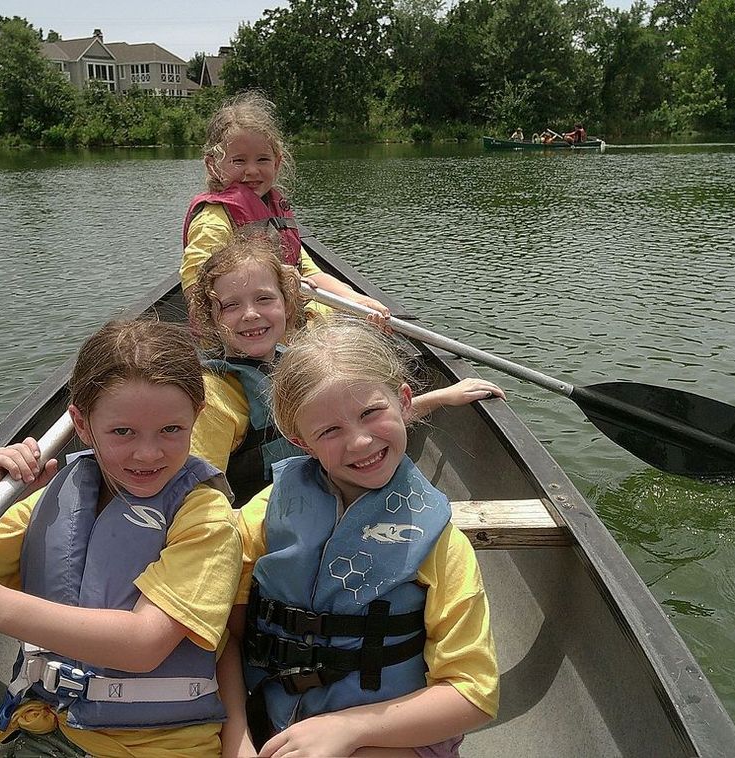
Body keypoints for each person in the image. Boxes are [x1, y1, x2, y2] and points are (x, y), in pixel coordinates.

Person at [0, 320, 243, 758]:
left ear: (196, 418)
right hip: (39, 729)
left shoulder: (205, 517)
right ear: (82, 426)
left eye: (171, 430)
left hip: (152, 747)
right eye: (122, 432)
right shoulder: (52, 501)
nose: (148, 453)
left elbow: (144, 644)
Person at [229, 317, 500, 756]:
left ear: (405, 403)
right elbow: (228, 634)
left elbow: (473, 695)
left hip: (387, 734)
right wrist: (236, 740)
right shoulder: (264, 514)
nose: (359, 442)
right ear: (301, 442)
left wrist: (348, 730)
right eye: (329, 431)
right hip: (267, 718)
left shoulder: (441, 547)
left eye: (371, 413)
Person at [188, 235, 506, 506]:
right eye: (231, 306)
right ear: (211, 319)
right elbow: (201, 490)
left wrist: (441, 397)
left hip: (324, 500)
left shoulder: (295, 363)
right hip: (268, 528)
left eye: (264, 299)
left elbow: (358, 421)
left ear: (286, 303)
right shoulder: (216, 395)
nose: (251, 314)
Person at [180, 91, 389, 318]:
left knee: (350, 319)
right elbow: (195, 287)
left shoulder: (272, 211)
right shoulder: (213, 220)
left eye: (263, 159)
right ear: (213, 166)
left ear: (277, 163)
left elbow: (308, 271)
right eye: (239, 160)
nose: (252, 170)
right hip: (248, 328)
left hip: (284, 320)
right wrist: (274, 275)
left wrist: (355, 299)